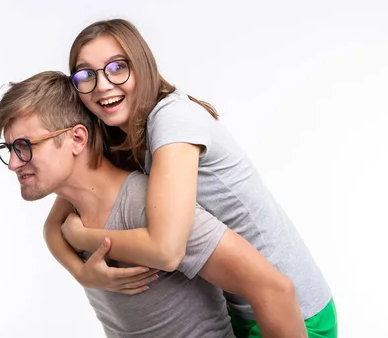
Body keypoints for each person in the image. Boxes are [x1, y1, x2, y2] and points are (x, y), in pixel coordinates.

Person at [43, 19, 337, 337]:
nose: (102, 85)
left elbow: (167, 250)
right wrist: (85, 274)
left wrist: (83, 238)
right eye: (86, 75)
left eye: (117, 67)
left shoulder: (172, 119)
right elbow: (52, 227)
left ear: (142, 65)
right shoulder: (117, 136)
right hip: (238, 307)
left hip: (294, 311)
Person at [0, 71, 306, 337]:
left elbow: (276, 291)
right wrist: (81, 271)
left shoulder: (145, 206)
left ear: (77, 139)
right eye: (8, 147)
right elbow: (52, 231)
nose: (12, 163)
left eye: (24, 146)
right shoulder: (69, 218)